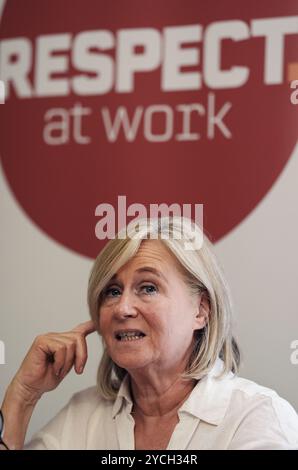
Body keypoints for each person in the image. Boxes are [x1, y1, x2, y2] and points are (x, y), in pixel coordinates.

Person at [1, 217, 298, 450]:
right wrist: (23, 397)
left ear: (201, 310)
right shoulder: (82, 415)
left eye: (148, 288)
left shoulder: (257, 416)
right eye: (113, 291)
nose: (123, 308)